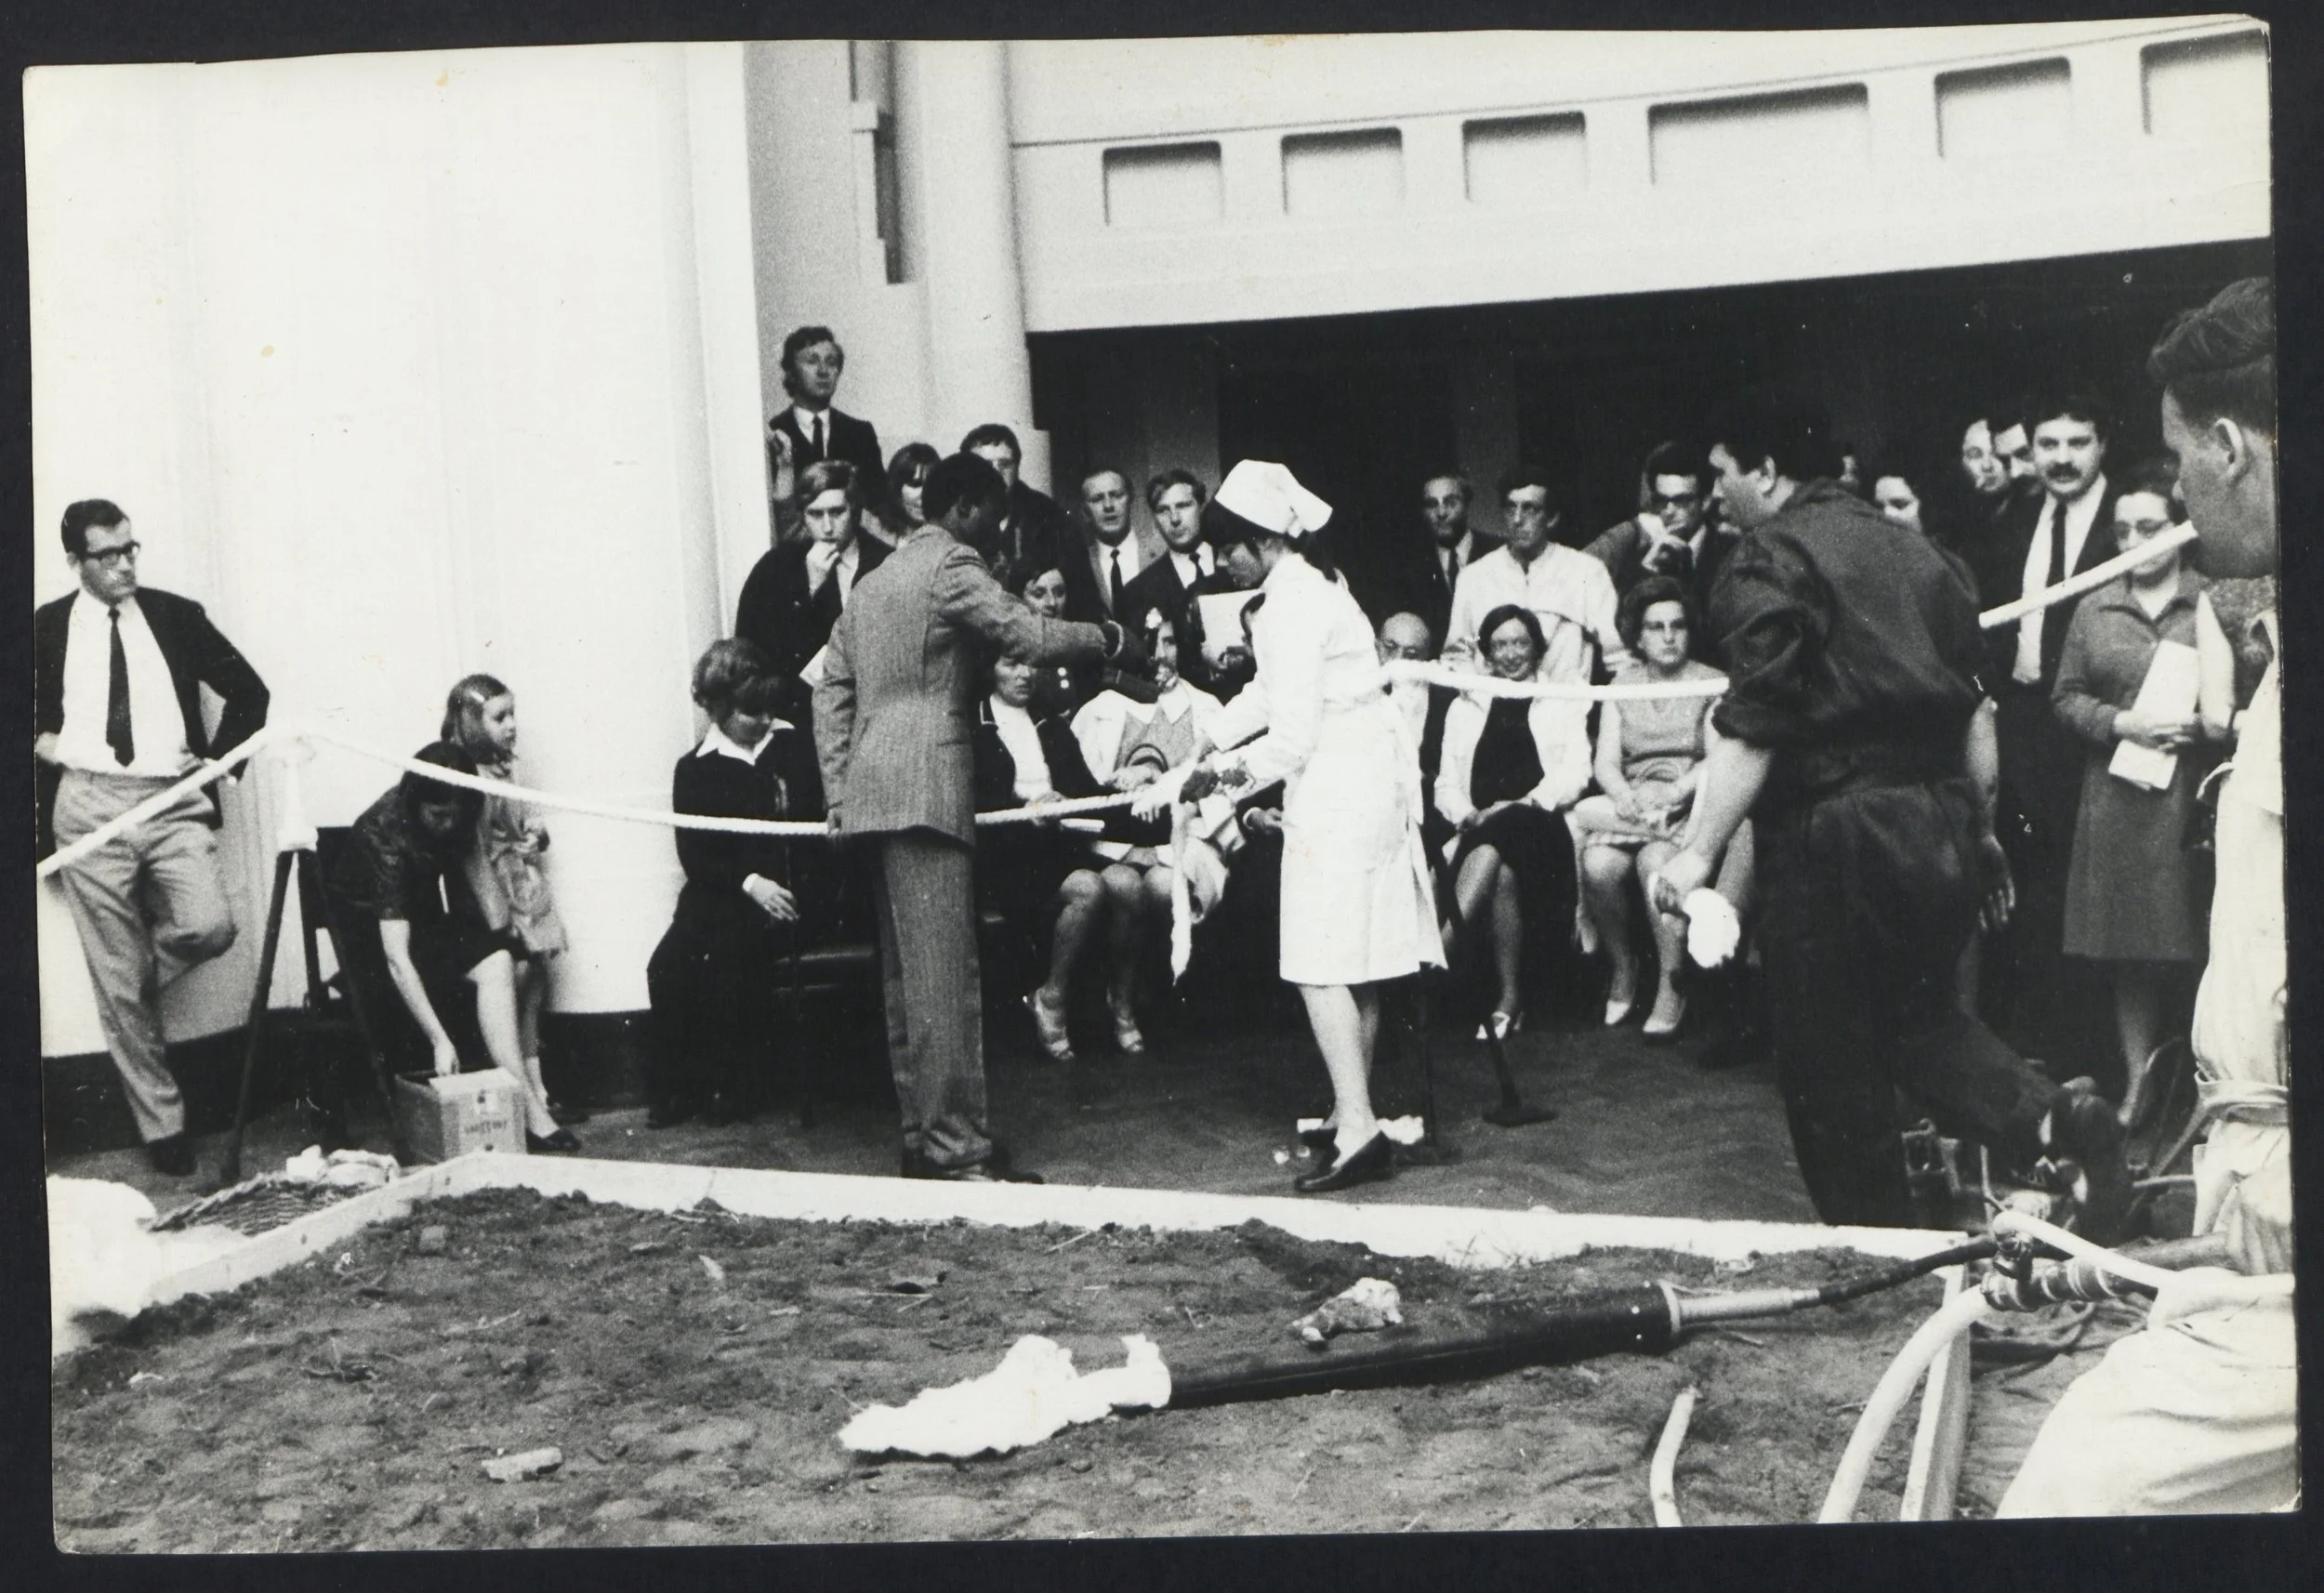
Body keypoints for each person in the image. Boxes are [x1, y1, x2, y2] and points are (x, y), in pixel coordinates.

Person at [1650, 391, 2129, 1232]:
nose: (1716, 494)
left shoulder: (1766, 556)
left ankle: (1875, 1258)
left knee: (1826, 1053)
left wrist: (1696, 854)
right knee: (1921, 1021)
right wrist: (1978, 837)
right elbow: (1977, 713)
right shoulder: (1923, 556)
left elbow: (1757, 718)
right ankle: (2054, 1115)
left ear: (1765, 471)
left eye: (1723, 475)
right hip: (1936, 818)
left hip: (1835, 832)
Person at [2000, 276, 2290, 1518]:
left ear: (2228, 446)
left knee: (2067, 1501)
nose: (2177, 494)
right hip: (2258, 1198)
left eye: (2179, 459)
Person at [814, 451, 1145, 1182]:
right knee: (945, 983)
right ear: (962, 507)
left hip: (875, 796)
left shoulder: (870, 584)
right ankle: (958, 1151)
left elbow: (829, 690)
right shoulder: (951, 564)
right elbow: (1025, 634)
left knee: (907, 984)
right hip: (930, 788)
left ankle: (921, 1139)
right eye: (993, 518)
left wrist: (841, 793)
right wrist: (1110, 638)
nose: (999, 537)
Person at [1177, 461, 1444, 1194]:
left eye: (1227, 546)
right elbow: (1271, 690)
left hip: (1340, 789)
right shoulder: (1311, 588)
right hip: (1364, 785)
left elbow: (1292, 738)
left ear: (1261, 539)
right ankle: (1348, 1110)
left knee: (1319, 962)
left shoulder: (1297, 602)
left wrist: (1215, 779)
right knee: (1350, 957)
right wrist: (1209, 736)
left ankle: (1358, 1127)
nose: (1220, 561)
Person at [36, 499, 271, 1181]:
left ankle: (129, 986)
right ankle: (162, 1125)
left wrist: (220, 762)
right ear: (75, 561)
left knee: (209, 925)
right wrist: (38, 742)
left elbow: (251, 694)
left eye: (130, 549)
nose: (123, 564)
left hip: (169, 799)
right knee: (114, 976)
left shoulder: (176, 615)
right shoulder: (45, 629)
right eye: (106, 555)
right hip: (86, 805)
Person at [2050, 460, 2213, 1130]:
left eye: (2149, 527)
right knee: (2131, 952)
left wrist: (2200, 726)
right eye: (2122, 531)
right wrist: (2122, 722)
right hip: (2119, 798)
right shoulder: (2096, 605)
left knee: (2201, 939)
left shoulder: (2207, 598)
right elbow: (2063, 699)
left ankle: (2207, 1089)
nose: (2135, 541)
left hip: (2192, 795)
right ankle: (2139, 1084)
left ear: (2178, 530)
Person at [328, 743, 576, 1152]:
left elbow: (478, 885)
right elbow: (395, 957)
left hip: (421, 926)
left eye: (455, 815)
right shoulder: (384, 831)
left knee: (499, 960)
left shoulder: (461, 808)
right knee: (490, 963)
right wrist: (439, 1039)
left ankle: (528, 1107)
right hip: (370, 945)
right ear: (416, 802)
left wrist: (509, 932)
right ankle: (527, 1111)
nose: (448, 824)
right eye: (437, 815)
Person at [1984, 389, 2125, 1085]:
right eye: (2048, 445)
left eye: (2077, 443)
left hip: (2093, 724)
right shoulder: (2011, 519)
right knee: (2025, 876)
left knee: (2084, 883)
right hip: (2022, 718)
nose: (2062, 459)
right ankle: (2033, 1044)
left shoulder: (2128, 523)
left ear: (2102, 446)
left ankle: (2088, 1054)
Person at [645, 640, 825, 1128]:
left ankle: (732, 1085)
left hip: (795, 890)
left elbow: (816, 829)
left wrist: (780, 886)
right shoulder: (696, 769)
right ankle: (681, 1087)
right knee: (666, 965)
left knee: (730, 956)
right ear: (718, 707)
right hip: (728, 892)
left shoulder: (794, 748)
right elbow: (696, 854)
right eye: (750, 712)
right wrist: (750, 883)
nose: (764, 720)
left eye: (769, 709)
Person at [1570, 578, 1737, 1039]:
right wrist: (1624, 795)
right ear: (1637, 636)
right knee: (1599, 865)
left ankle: (1671, 981)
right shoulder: (1622, 684)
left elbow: (1718, 760)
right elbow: (1605, 761)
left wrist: (1673, 794)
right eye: (1656, 627)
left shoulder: (1709, 681)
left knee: (1653, 863)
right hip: (1634, 804)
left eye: (1678, 626)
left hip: (1689, 801)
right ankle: (1623, 965)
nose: (1668, 636)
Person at [1434, 605, 1590, 1041]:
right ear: (1486, 652)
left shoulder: (1560, 699)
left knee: (1505, 832)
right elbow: (1446, 783)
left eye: (1520, 642)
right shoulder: (1464, 706)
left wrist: (1521, 803)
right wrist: (1469, 814)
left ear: (1538, 649)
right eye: (1500, 644)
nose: (1511, 653)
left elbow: (1577, 771)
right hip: (1479, 828)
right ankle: (1509, 998)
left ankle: (1441, 946)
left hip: (1542, 826)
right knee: (1499, 868)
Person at [972, 651, 1130, 1064]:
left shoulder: (1050, 721)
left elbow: (1087, 791)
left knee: (1129, 886)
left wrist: (1140, 789)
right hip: (1004, 855)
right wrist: (1026, 813)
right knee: (1089, 889)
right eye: (1010, 664)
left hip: (1057, 848)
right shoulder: (975, 725)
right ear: (990, 668)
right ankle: (1052, 997)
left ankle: (1123, 1002)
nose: (1024, 674)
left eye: (1029, 664)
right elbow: (974, 803)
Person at [441, 674, 573, 1115]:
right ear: (472, 722)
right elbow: (472, 849)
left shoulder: (506, 767)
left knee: (535, 980)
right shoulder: (461, 772)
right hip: (489, 892)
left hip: (523, 884)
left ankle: (541, 1087)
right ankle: (523, 1096)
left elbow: (525, 821)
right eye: (500, 717)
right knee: (512, 980)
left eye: (513, 713)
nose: (512, 724)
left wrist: (538, 837)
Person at [1443, 464, 1632, 682]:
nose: (1517, 520)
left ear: (1551, 519)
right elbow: (1456, 658)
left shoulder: (1587, 571)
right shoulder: (1473, 577)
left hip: (1565, 708)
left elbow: (1617, 655)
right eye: (1511, 508)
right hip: (1491, 706)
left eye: (1530, 508)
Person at [733, 459, 890, 718]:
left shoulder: (886, 562)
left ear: (855, 510)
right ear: (802, 515)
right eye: (815, 514)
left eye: (837, 512)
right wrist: (809, 589)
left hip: (873, 711)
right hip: (801, 718)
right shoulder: (775, 568)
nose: (827, 527)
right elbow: (754, 653)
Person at [1582, 441, 1742, 652]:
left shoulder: (1732, 550)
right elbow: (1624, 631)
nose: (1669, 511)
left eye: (1681, 501)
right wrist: (1647, 571)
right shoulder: (1638, 556)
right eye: (1661, 501)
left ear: (1704, 502)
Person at [1119, 468, 1244, 696]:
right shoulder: (1138, 591)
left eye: (1183, 506)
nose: (1174, 519)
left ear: (1201, 505)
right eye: (1163, 510)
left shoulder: (1239, 564)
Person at [766, 325, 884, 533]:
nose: (823, 371)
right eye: (811, 361)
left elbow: (879, 503)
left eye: (831, 362)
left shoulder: (860, 433)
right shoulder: (774, 432)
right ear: (791, 372)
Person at [1379, 611, 1456, 864]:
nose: (1398, 660)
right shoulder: (1358, 692)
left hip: (1425, 813)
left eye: (1411, 655)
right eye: (1390, 648)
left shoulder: (1446, 700)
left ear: (1427, 660)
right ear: (1376, 646)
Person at [1393, 471, 1499, 648]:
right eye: (1432, 504)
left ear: (1466, 505)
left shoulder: (1497, 552)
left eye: (1450, 503)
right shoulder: (1411, 566)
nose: (1441, 512)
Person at [962, 423, 1067, 594]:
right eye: (986, 464)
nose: (996, 472)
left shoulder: (1049, 516)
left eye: (1005, 464)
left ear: (1017, 467)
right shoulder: (956, 519)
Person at [1057, 465, 1157, 624]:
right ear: (1084, 510)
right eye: (1097, 499)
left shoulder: (1159, 552)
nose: (1108, 506)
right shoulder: (1077, 564)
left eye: (1116, 495)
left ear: (1130, 499)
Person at [867, 441, 941, 548]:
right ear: (897, 487)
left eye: (931, 485)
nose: (924, 494)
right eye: (915, 485)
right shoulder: (875, 533)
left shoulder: (948, 538)